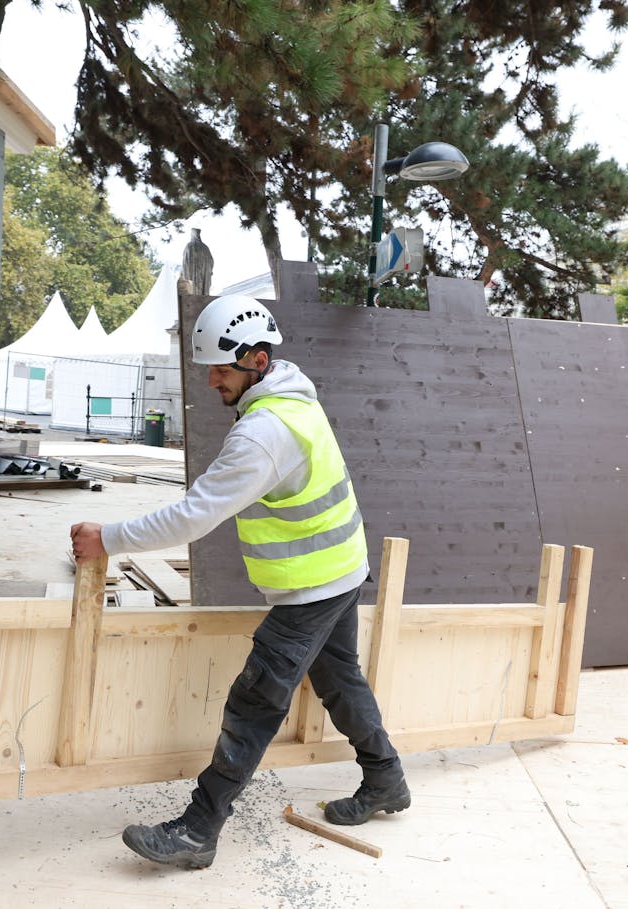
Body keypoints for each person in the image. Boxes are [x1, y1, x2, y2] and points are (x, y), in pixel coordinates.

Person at [68, 295, 406, 870]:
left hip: (314, 585)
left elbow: (195, 516)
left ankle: (199, 829)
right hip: (341, 569)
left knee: (255, 700)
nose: (209, 382)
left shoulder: (263, 435)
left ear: (255, 359)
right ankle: (386, 781)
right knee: (340, 679)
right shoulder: (295, 395)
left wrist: (110, 537)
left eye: (220, 370)